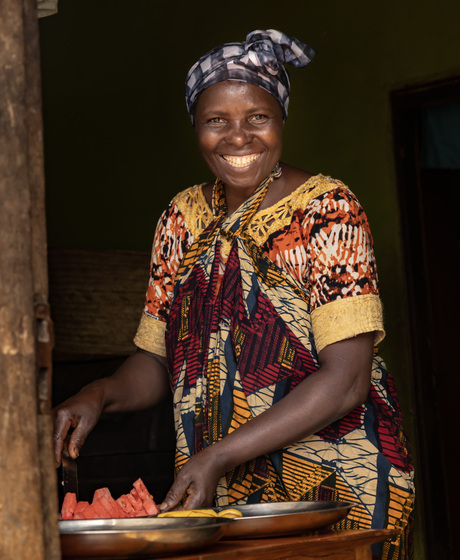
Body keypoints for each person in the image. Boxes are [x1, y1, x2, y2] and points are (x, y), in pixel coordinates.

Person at [53, 29, 415, 559]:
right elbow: (156, 359)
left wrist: (216, 456)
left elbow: (346, 381)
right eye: (216, 120)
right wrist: (99, 394)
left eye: (258, 118)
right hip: (220, 488)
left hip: (336, 485)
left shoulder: (326, 211)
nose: (238, 137)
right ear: (195, 128)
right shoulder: (181, 218)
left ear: (281, 120)